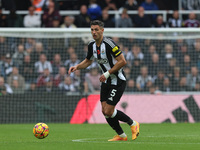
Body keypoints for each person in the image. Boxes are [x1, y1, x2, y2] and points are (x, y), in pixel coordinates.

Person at [68, 20, 139, 141]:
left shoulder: (110, 44)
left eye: (96, 29)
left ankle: (133, 123)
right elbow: (88, 61)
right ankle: (121, 135)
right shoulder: (91, 45)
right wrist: (77, 67)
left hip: (117, 81)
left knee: (108, 110)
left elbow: (122, 61)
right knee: (104, 111)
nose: (94, 32)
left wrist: (107, 73)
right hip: (106, 82)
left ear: (102, 30)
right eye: (92, 30)